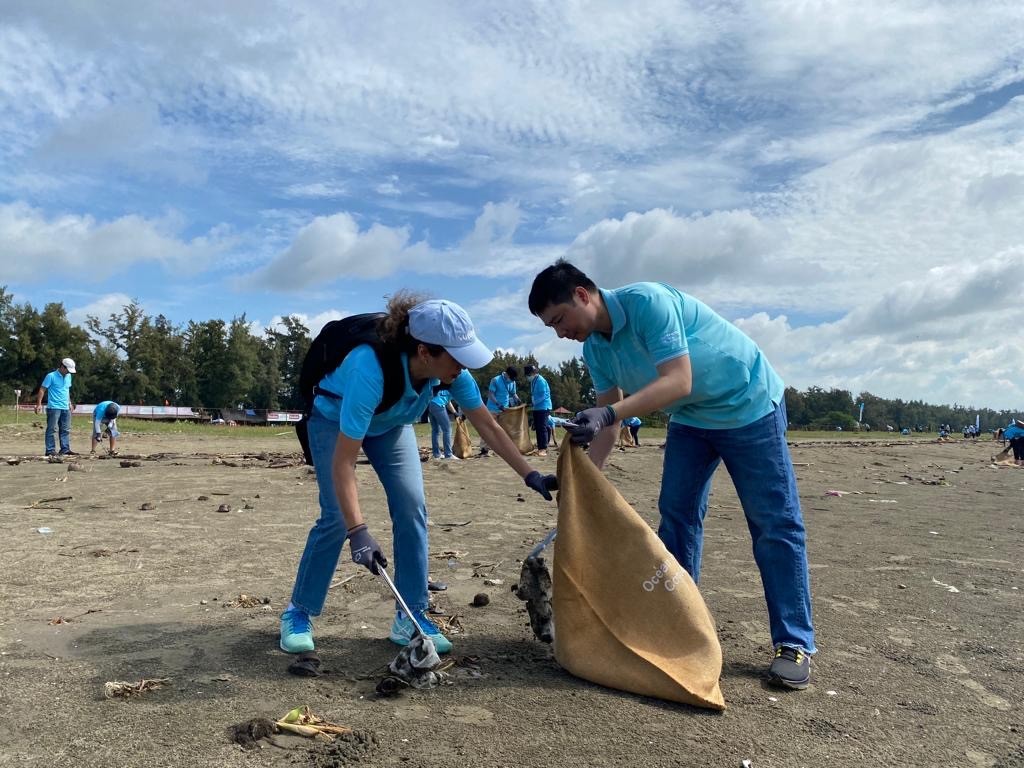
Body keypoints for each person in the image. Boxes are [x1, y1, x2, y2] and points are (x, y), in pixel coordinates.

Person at [529, 260, 816, 690]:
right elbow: (609, 424)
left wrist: (608, 411)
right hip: (693, 419)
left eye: (559, 319)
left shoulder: (648, 303)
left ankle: (794, 642)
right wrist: (582, 479)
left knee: (774, 524)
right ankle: (679, 625)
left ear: (583, 295)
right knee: (677, 517)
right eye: (550, 327)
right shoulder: (596, 350)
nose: (559, 332)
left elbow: (678, 381)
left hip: (748, 405)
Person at [280, 294, 557, 657]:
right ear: (425, 352)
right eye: (456, 356)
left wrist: (531, 474)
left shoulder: (452, 372)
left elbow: (487, 425)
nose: (462, 365)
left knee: (412, 506)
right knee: (335, 518)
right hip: (334, 419)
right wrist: (358, 531)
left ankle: (410, 614)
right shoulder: (370, 369)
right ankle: (298, 612)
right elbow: (344, 463)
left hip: (391, 424)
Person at [34, 358, 77, 457]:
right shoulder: (51, 376)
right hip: (53, 407)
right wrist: (39, 404)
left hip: (65, 407)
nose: (68, 372)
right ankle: (50, 450)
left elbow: (67, 390)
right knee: (52, 429)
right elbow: (42, 389)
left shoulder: (68, 376)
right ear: (62, 367)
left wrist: (69, 403)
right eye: (67, 370)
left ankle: (65, 449)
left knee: (65, 429)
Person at [479, 366, 520, 455]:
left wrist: (518, 399)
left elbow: (513, 393)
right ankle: (484, 449)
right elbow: (490, 394)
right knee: (489, 429)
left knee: (503, 430)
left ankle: (502, 448)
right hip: (492, 408)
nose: (512, 380)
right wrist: (498, 404)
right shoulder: (495, 380)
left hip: (505, 410)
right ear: (507, 374)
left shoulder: (512, 382)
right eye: (511, 378)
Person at [524, 364, 553, 456]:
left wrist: (533, 403)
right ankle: (540, 447)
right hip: (537, 407)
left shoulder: (540, 381)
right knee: (538, 427)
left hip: (543, 407)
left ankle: (543, 448)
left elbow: (543, 396)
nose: (528, 377)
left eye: (528, 374)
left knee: (542, 427)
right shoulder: (533, 381)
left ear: (533, 373)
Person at [427, 386, 458, 459]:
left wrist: (455, 413)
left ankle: (436, 454)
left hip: (430, 405)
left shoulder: (443, 386)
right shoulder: (453, 388)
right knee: (447, 429)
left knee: (436, 430)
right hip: (439, 405)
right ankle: (448, 454)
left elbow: (448, 402)